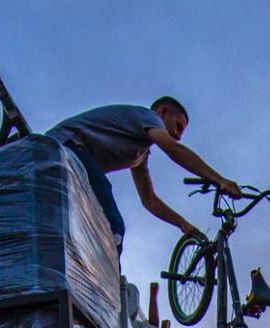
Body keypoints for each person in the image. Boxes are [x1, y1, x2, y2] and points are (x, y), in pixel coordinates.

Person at [44, 97, 241, 252]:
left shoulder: (140, 152)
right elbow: (174, 150)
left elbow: (149, 200)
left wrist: (182, 224)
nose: (179, 135)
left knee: (88, 223)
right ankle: (107, 291)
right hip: (65, 146)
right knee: (113, 226)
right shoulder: (147, 117)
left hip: (73, 159)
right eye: (178, 126)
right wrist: (219, 179)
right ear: (163, 112)